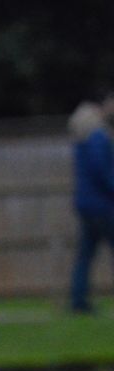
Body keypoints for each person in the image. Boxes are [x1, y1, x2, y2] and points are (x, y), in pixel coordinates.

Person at [69, 92, 114, 313]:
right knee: (87, 255)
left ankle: (78, 301)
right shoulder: (97, 137)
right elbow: (102, 171)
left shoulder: (81, 137)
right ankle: (78, 301)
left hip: (86, 204)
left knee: (85, 255)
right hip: (102, 205)